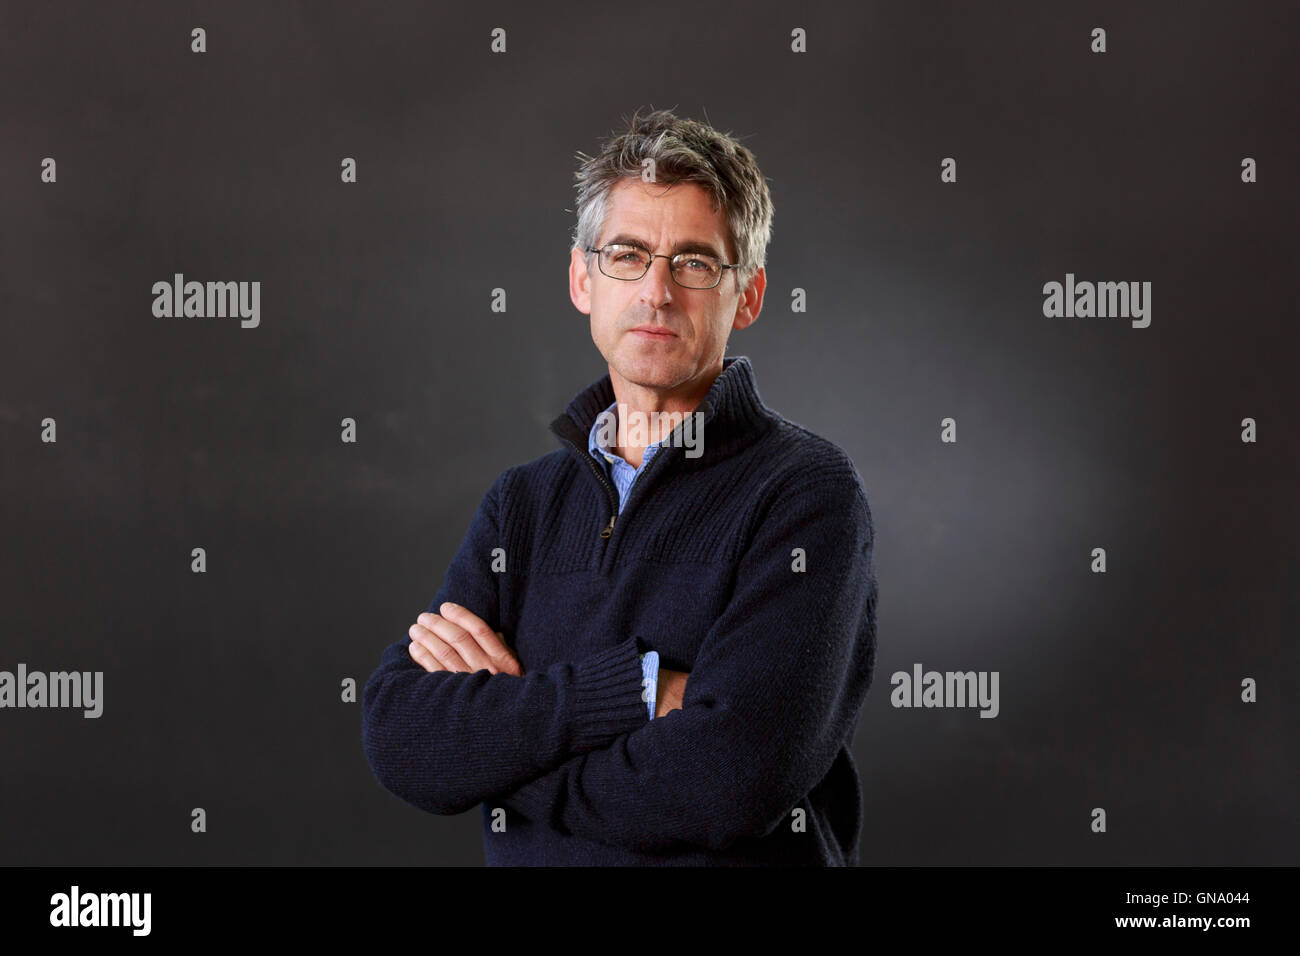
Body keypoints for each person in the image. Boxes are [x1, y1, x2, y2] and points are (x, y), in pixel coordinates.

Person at [361, 107, 878, 865]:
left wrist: (502, 755)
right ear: (582, 279)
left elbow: (727, 783)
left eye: (695, 262)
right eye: (628, 255)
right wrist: (634, 692)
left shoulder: (806, 494)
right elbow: (402, 736)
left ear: (750, 294)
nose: (657, 292)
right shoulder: (522, 506)